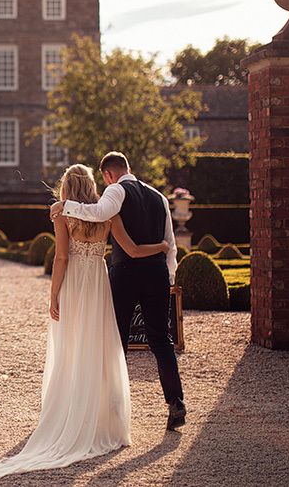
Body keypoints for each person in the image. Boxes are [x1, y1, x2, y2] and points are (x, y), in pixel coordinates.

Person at [0, 164, 168, 481]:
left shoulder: (64, 215)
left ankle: (72, 413)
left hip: (76, 284)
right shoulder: (108, 213)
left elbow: (61, 258)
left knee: (72, 347)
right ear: (91, 185)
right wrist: (161, 247)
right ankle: (104, 419)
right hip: (98, 283)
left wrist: (54, 296)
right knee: (98, 348)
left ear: (66, 188)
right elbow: (130, 249)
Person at [50, 151, 186, 431]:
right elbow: (169, 242)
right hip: (157, 272)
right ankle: (176, 402)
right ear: (129, 167)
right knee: (162, 340)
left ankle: (111, 407)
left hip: (125, 274)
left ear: (109, 174)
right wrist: (168, 276)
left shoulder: (116, 191)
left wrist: (64, 205)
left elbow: (98, 213)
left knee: (116, 341)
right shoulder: (159, 197)